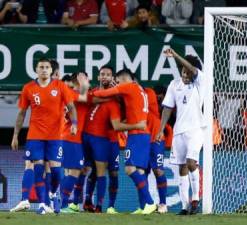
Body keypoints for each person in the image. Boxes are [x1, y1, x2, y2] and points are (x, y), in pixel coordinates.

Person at [11, 58, 78, 215]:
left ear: (51, 70)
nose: (44, 69)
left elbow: (71, 107)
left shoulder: (60, 86)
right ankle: (41, 204)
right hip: (35, 135)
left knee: (57, 172)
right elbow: (21, 113)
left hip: (55, 136)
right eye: (41, 67)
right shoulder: (28, 88)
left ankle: (53, 193)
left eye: (47, 67)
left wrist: (74, 124)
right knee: (37, 167)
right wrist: (15, 134)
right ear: (36, 69)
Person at [93, 69, 157, 215]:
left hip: (136, 135)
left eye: (118, 81)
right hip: (143, 135)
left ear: (123, 79)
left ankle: (150, 202)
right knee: (140, 171)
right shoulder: (139, 89)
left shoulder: (128, 86)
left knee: (129, 169)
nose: (117, 84)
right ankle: (143, 207)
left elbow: (104, 93)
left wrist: (91, 93)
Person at [156, 48, 205, 215]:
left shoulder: (201, 82)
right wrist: (161, 129)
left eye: (188, 72)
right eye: (183, 72)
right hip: (179, 132)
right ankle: (185, 207)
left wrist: (176, 55)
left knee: (192, 162)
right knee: (182, 168)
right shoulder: (174, 84)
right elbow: (168, 108)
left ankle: (195, 199)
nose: (185, 75)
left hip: (196, 129)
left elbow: (192, 69)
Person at [59, 72, 90, 213]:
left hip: (71, 137)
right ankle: (64, 205)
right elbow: (84, 95)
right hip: (71, 137)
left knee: (71, 172)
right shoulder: (71, 92)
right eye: (84, 78)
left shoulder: (70, 93)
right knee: (74, 171)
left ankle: (62, 204)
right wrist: (83, 82)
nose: (86, 82)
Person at [145, 87, 168, 213]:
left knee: (158, 171)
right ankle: (146, 204)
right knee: (142, 172)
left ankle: (163, 204)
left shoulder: (149, 92)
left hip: (156, 138)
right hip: (141, 139)